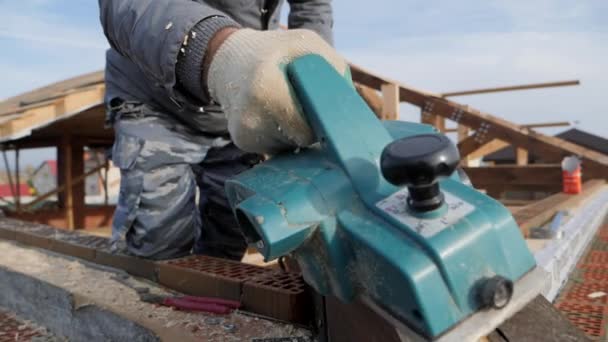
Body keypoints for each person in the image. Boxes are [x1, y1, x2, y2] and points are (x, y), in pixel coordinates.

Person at [98, 0, 349, 260]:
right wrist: (218, 47)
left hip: (234, 108)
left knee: (229, 238)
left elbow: (312, 5)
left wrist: (309, 70)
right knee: (159, 241)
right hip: (156, 100)